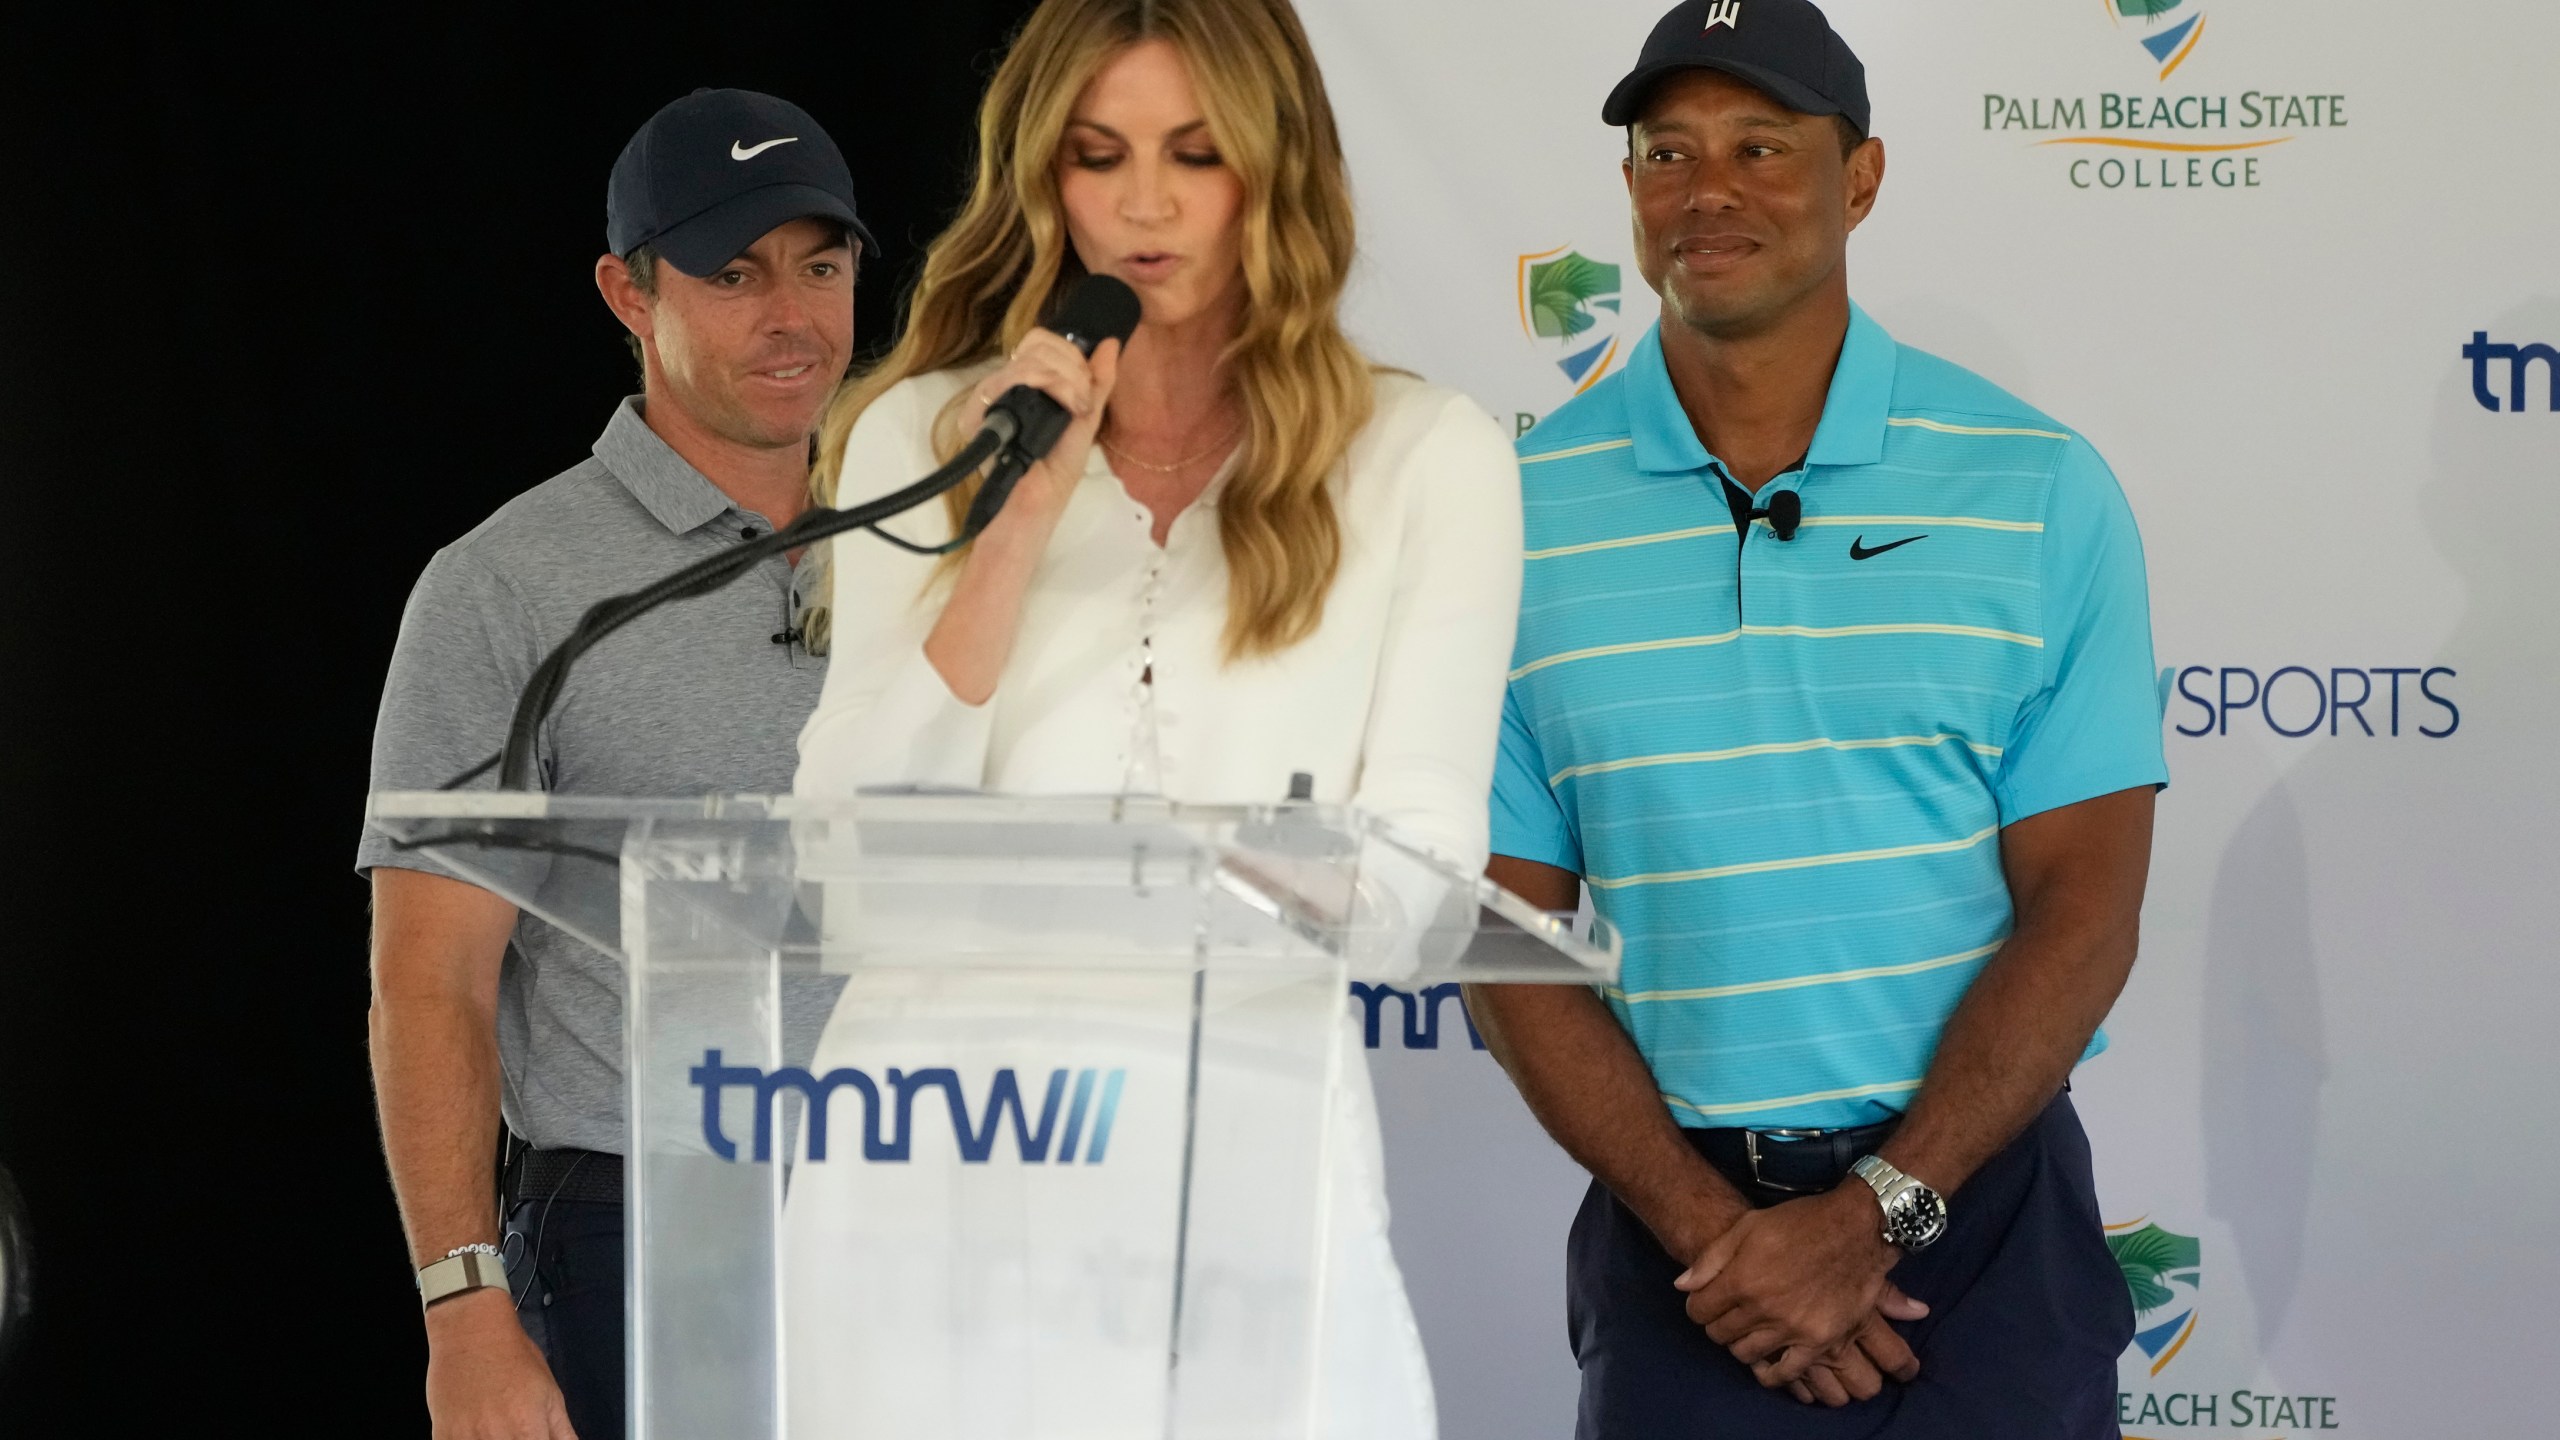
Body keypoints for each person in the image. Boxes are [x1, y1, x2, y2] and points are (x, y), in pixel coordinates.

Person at [788, 0, 1521, 1434]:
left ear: (1276, 167)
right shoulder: (923, 433)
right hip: (936, 1151)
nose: (1139, 204)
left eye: (1194, 154)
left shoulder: (1427, 458)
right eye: (1096, 154)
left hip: (1239, 1166)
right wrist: (1012, 524)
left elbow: (1425, 884)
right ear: (1039, 177)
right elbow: (846, 858)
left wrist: (1209, 884)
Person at [1467, 1, 2167, 1434]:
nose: (1706, 190)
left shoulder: (2038, 487)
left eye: (1761, 145)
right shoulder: (1509, 520)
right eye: (1667, 152)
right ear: (1630, 193)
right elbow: (1501, 930)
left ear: (1861, 179)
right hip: (1687, 1246)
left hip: (1981, 1227)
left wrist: (1873, 1218)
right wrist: (1720, 1239)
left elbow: (2085, 912)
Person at [359, 89, 869, 1440]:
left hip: (928, 1198)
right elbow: (430, 984)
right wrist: (465, 1311)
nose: (792, 315)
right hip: (646, 1232)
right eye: (734, 271)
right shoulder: (502, 589)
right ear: (627, 291)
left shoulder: (933, 552)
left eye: (823, 265)